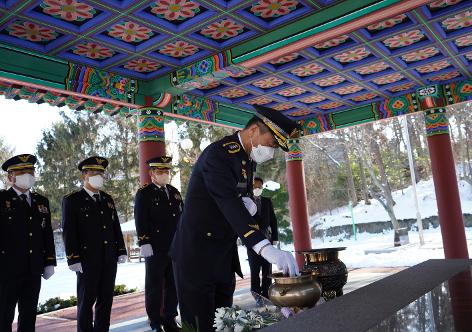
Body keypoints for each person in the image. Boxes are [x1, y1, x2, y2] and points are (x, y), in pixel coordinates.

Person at [170, 105, 301, 331]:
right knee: (200, 325)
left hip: (222, 255)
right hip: (197, 257)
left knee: (224, 323)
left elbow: (240, 199)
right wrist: (264, 247)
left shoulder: (246, 158)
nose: (270, 151)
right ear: (252, 131)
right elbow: (229, 203)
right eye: (270, 143)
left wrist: (248, 202)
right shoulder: (218, 155)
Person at [62, 156, 127, 332]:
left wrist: (120, 249)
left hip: (108, 258)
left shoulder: (107, 199)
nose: (98, 176)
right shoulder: (72, 200)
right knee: (86, 302)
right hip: (86, 260)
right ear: (84, 176)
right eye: (94, 172)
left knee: (106, 300)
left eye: (101, 173)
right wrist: (73, 258)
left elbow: (115, 226)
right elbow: (69, 231)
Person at [0, 154, 56, 332]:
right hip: (6, 271)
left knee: (29, 317)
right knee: (3, 317)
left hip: (33, 269)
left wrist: (49, 261)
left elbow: (46, 233)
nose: (28, 174)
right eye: (22, 171)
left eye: (31, 170)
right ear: (10, 177)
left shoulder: (41, 201)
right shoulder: (2, 200)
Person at [134, 156, 183, 332]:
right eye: (160, 171)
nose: (164, 174)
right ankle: (155, 322)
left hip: (175, 246)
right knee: (154, 286)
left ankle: (170, 318)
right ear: (152, 173)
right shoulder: (144, 193)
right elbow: (140, 218)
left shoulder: (174, 191)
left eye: (166, 171)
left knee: (173, 285)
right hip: (155, 247)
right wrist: (144, 241)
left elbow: (182, 219)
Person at [247, 176, 279, 304]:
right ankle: (256, 295)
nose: (257, 188)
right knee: (254, 270)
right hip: (252, 241)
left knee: (267, 269)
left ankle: (267, 293)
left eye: (259, 187)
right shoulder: (246, 201)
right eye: (254, 186)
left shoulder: (266, 201)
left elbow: (273, 220)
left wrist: (275, 237)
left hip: (267, 239)